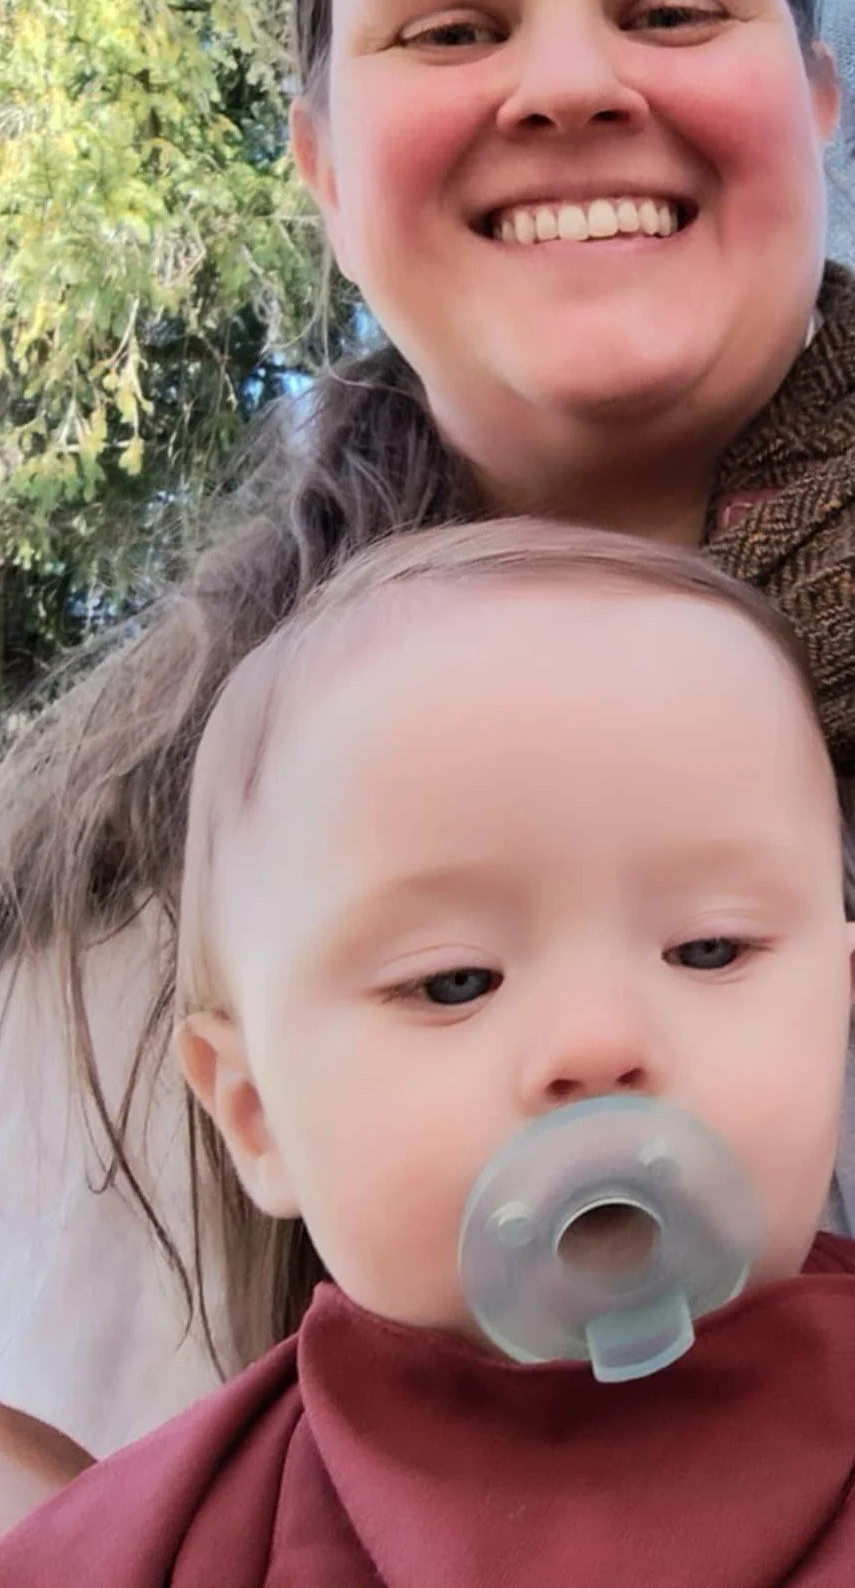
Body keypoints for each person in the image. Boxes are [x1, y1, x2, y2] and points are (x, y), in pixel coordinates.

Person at [2, 0, 855, 1494]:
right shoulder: (114, 930)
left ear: (819, 92)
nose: (566, 82)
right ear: (315, 160)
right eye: (453, 27)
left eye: (673, 3)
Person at [3, 518, 855, 1588]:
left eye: (710, 947)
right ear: (256, 1112)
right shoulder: (175, 1529)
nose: (599, 1042)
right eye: (454, 979)